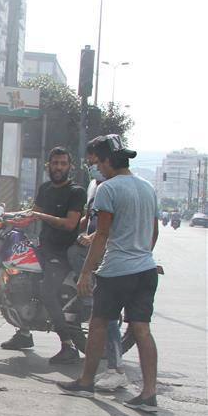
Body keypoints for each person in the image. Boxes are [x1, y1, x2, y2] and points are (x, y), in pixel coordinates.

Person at [58, 134, 160, 413]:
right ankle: (149, 394)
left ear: (108, 160)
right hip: (145, 269)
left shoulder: (108, 189)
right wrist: (143, 254)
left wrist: (85, 273)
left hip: (116, 272)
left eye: (98, 162)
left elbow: (101, 234)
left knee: (99, 324)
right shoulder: (148, 187)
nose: (97, 167)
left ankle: (86, 381)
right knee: (141, 329)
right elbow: (153, 232)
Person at [0, 146, 86, 365]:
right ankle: (24, 334)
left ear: (70, 167)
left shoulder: (76, 192)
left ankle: (68, 345)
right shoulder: (45, 188)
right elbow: (31, 215)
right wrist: (6, 216)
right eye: (55, 163)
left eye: (63, 163)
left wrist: (40, 215)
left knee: (47, 292)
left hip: (63, 253)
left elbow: (70, 224)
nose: (58, 167)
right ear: (49, 166)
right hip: (43, 247)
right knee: (23, 279)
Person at [69, 144, 127, 391]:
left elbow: (108, 229)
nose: (94, 167)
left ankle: (115, 368)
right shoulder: (96, 187)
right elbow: (90, 219)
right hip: (95, 251)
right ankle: (88, 378)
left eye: (96, 162)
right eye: (90, 162)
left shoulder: (115, 188)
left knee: (107, 317)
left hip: (108, 260)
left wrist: (91, 241)